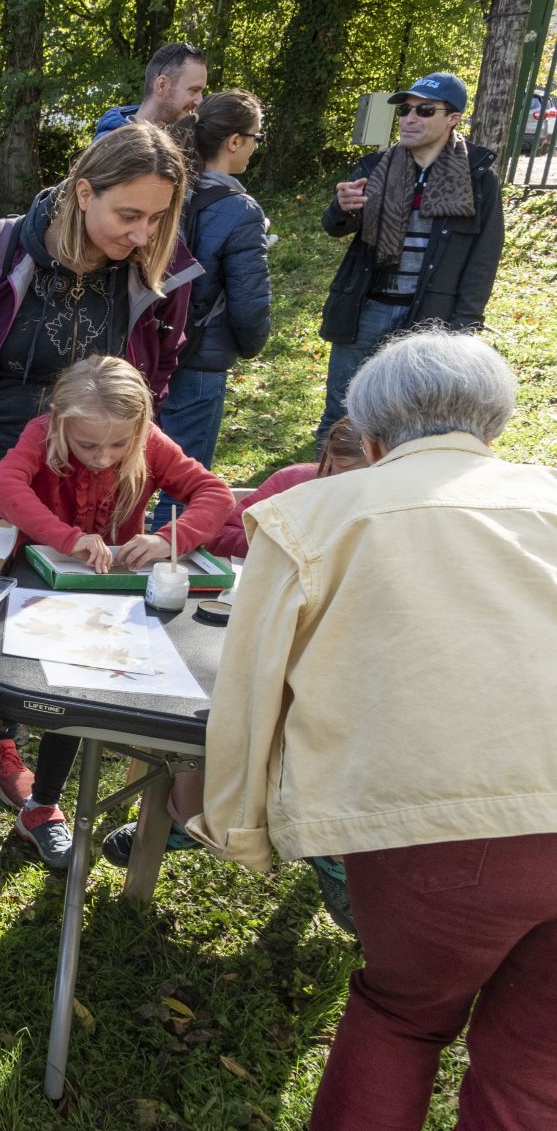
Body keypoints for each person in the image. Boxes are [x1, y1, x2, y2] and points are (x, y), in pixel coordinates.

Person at [185, 330, 557, 1129]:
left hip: (454, 827)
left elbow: (247, 687)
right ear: (490, 429)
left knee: (403, 1014)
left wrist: (238, 829)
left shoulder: (312, 514)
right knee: (537, 1066)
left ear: (374, 437)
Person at [0, 122, 202, 863]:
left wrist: (126, 463)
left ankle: (31, 773)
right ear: (81, 190)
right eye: (127, 215)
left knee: (67, 636)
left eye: (157, 217)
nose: (142, 233)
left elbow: (156, 378)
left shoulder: (163, 268)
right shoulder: (0, 251)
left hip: (94, 488)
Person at [0, 357, 232, 866]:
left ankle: (43, 806)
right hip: (30, 588)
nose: (103, 457)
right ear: (61, 420)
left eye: (119, 445)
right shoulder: (41, 433)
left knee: (75, 699)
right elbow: (4, 488)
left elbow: (214, 494)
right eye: (89, 445)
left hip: (102, 601)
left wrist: (167, 539)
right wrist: (69, 538)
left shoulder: (151, 442)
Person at [99, 417, 369, 871]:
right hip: (257, 628)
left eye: (356, 481)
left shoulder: (396, 519)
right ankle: (192, 817)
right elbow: (222, 532)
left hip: (335, 657)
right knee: (208, 699)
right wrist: (279, 535)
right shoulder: (297, 482)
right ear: (325, 463)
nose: (341, 489)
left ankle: (326, 847)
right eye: (335, 476)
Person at [315, 72, 503, 443]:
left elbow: (484, 257)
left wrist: (464, 324)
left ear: (452, 118)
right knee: (342, 410)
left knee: (413, 417)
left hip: (430, 315)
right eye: (405, 110)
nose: (410, 118)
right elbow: (335, 226)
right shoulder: (375, 167)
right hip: (366, 306)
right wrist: (342, 207)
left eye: (424, 110)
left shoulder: (478, 178)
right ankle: (331, 487)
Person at [151, 89, 272, 527]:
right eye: (256, 137)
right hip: (200, 359)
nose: (257, 146)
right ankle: (163, 567)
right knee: (183, 478)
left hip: (148, 348)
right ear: (234, 142)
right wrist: (252, 343)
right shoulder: (240, 210)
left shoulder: (164, 190)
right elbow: (248, 300)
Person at [204, 417, 366, 560]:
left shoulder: (387, 501)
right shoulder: (296, 480)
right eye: (339, 473)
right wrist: (278, 542)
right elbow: (221, 536)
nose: (348, 485)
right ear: (330, 457)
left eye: (363, 477)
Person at [94, 42, 209, 138]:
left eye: (201, 92)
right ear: (162, 85)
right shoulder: (111, 150)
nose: (199, 100)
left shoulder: (185, 144)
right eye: (194, 90)